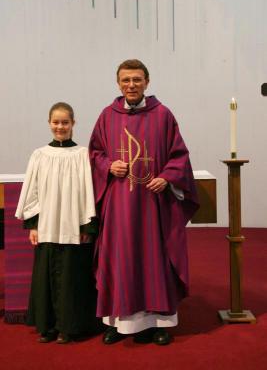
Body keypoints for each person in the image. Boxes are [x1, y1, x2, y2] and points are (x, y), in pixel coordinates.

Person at [89, 59, 199, 345]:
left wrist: (167, 178)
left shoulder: (162, 115)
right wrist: (108, 166)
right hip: (119, 207)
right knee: (118, 257)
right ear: (118, 83)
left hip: (153, 205)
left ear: (147, 82)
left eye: (137, 79)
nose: (131, 85)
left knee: (154, 259)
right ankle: (117, 321)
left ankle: (159, 323)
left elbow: (179, 155)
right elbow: (94, 154)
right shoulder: (106, 116)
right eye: (126, 80)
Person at [16, 102, 99, 343]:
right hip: (48, 226)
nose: (60, 126)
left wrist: (88, 226)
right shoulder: (40, 155)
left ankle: (69, 327)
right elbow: (32, 191)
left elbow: (89, 191)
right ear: (49, 123)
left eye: (65, 122)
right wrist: (33, 225)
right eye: (56, 122)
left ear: (73, 123)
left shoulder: (83, 154)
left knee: (74, 278)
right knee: (46, 277)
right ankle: (48, 326)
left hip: (75, 227)